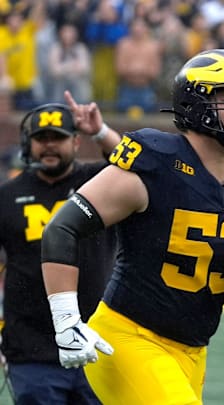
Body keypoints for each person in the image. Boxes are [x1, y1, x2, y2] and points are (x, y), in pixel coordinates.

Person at [40, 49, 224, 405]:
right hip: (129, 338)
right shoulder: (155, 162)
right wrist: (66, 320)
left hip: (193, 351)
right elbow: (61, 229)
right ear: (194, 103)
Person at [0, 92, 121, 404]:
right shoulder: (7, 195)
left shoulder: (98, 181)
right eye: (41, 138)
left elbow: (132, 162)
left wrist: (100, 131)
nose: (49, 145)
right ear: (29, 143)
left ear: (77, 142)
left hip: (96, 339)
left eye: (58, 137)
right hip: (31, 348)